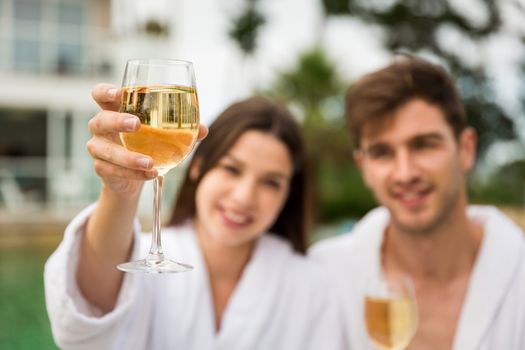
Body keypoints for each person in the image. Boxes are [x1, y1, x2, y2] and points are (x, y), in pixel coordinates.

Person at [44, 85, 342, 350]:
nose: (244, 197)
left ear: (288, 193)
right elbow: (87, 310)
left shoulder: (311, 284)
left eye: (270, 182)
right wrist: (119, 191)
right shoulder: (142, 261)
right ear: (197, 165)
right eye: (231, 169)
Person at [310, 56, 525, 350]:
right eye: (382, 152)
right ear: (364, 167)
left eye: (423, 145)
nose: (405, 173)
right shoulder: (323, 277)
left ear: (466, 149)